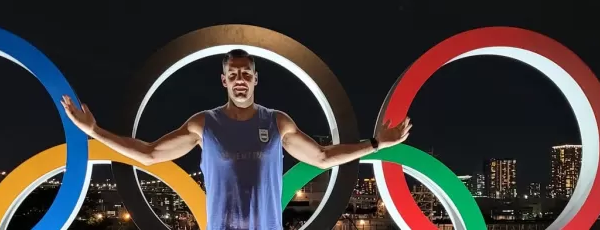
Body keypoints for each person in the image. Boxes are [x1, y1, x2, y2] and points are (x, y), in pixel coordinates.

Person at [61, 48, 411, 230]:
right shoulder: (204, 124)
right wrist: (94, 131)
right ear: (224, 80)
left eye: (246, 73)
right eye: (233, 74)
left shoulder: (277, 122)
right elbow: (150, 154)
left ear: (256, 79)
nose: (240, 78)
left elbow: (322, 156)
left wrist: (377, 143)